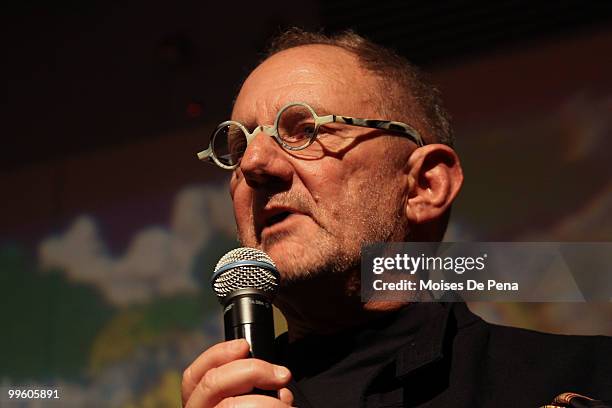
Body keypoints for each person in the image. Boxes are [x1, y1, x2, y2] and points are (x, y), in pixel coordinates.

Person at [181, 29, 612, 408]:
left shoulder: (587, 378)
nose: (254, 163)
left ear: (426, 185)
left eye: (304, 129)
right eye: (238, 149)